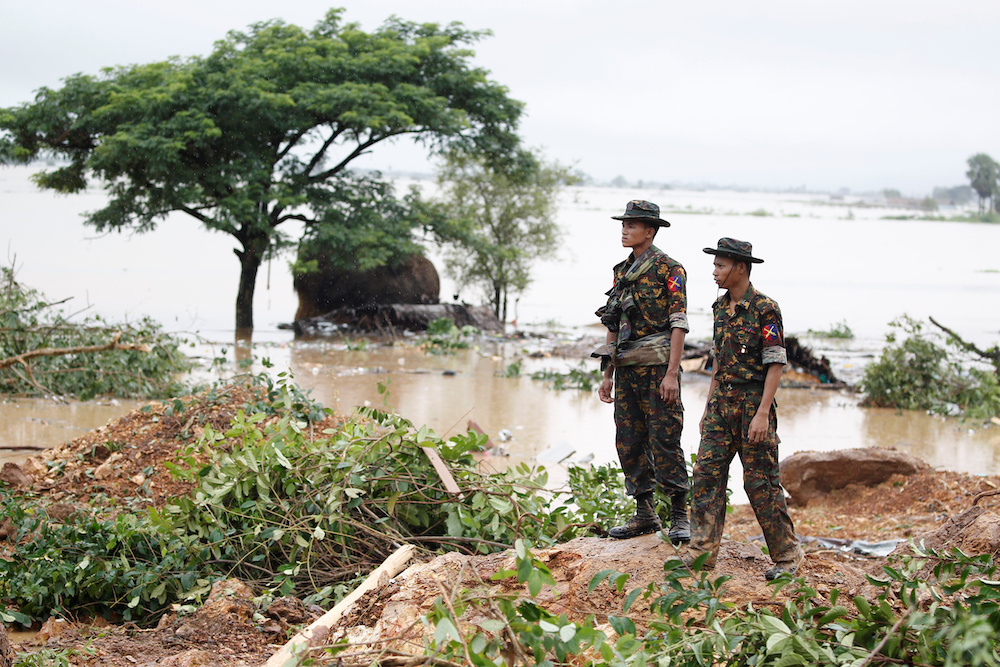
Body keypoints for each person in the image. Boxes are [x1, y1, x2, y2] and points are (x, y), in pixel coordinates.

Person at [682, 237, 803, 580]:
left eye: (720, 265)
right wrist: (707, 407)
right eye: (714, 265)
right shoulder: (720, 308)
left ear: (740, 267)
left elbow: (776, 362)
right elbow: (718, 360)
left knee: (761, 483)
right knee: (706, 475)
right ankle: (701, 552)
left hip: (753, 404)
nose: (714, 272)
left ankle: (787, 558)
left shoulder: (766, 308)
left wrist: (763, 412)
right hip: (721, 405)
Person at [594, 200, 690, 543]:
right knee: (629, 440)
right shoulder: (621, 270)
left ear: (650, 231)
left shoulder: (670, 269)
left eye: (632, 226)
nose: (624, 230)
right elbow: (613, 320)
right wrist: (607, 373)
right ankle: (645, 514)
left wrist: (671, 373)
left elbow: (679, 324)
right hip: (627, 369)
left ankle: (681, 514)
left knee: (665, 439)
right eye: (623, 224)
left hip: (657, 368)